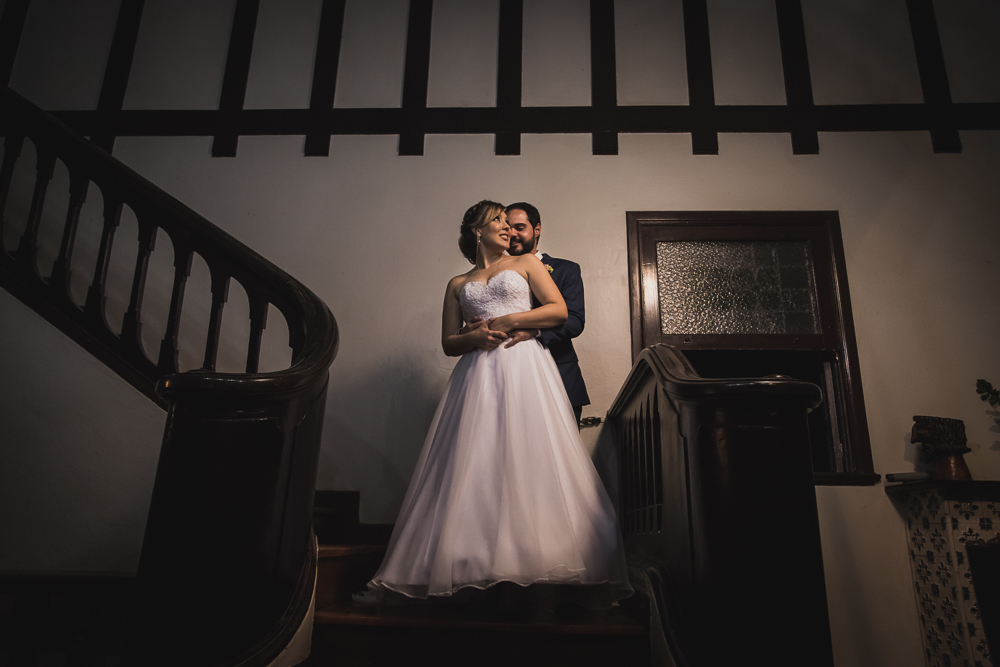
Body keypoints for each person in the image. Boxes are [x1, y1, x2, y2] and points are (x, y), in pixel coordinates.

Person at [367, 200, 629, 607]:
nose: (507, 228)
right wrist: (472, 337)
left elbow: (559, 311)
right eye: (499, 222)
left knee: (529, 454)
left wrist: (511, 320)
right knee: (475, 458)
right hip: (476, 376)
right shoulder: (457, 283)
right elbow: (448, 342)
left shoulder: (526, 264)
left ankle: (538, 555)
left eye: (510, 223)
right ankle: (472, 559)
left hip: (524, 367)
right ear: (478, 230)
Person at [505, 202, 590, 423]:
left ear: (537, 229)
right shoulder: (494, 275)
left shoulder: (566, 269)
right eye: (507, 228)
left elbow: (575, 321)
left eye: (520, 227)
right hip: (508, 377)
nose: (512, 234)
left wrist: (535, 332)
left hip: (559, 375)